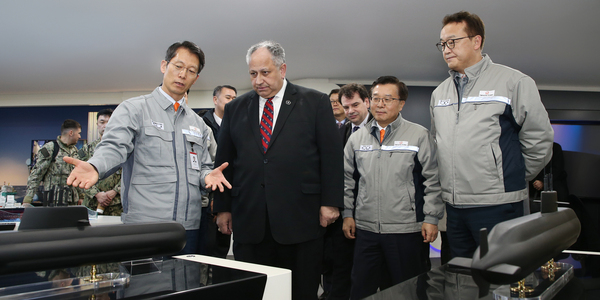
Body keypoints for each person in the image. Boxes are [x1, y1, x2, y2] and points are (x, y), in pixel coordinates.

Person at [64, 41, 231, 255]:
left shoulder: (198, 124)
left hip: (189, 227)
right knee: (146, 288)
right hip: (145, 225)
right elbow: (114, 146)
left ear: (196, 78)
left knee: (186, 286)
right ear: (164, 66)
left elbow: (204, 166)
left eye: (190, 71)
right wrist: (95, 166)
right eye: (178, 66)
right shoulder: (134, 109)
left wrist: (207, 176)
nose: (182, 75)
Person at [213, 40, 344, 300]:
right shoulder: (236, 108)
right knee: (253, 290)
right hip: (250, 219)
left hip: (301, 219)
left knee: (300, 291)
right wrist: (223, 208)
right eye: (253, 73)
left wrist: (331, 203)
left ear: (282, 69)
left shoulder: (315, 102)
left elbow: (331, 158)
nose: (258, 80)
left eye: (265, 72)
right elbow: (224, 162)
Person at [431, 11, 554, 259]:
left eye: (452, 41)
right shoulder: (439, 93)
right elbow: (438, 146)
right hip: (453, 208)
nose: (446, 48)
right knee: (459, 279)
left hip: (499, 205)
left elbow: (539, 140)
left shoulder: (514, 82)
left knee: (500, 278)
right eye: (442, 43)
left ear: (476, 41)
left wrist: (511, 175)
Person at [343, 76, 443, 300]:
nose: (380, 104)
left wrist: (431, 218)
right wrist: (347, 214)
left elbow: (433, 180)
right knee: (360, 289)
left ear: (401, 103)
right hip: (366, 229)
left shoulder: (419, 135)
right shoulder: (357, 139)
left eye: (388, 99)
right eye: (376, 98)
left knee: (407, 291)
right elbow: (347, 180)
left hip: (406, 230)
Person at [199, 85, 237, 259]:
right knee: (205, 249)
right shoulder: (201, 124)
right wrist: (214, 198)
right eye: (228, 97)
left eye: (235, 98)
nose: (232, 102)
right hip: (205, 198)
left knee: (222, 246)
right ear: (215, 100)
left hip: (228, 194)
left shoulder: (239, 126)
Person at [23, 119, 82, 207]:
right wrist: (28, 199)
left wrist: (81, 196)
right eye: (78, 133)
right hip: (54, 200)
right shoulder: (51, 148)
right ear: (71, 133)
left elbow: (77, 175)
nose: (80, 136)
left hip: (72, 200)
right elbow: (37, 174)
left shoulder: (74, 151)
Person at [78, 109, 122, 216]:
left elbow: (130, 172)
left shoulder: (123, 148)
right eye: (102, 122)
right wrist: (97, 194)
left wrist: (114, 191)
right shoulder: (86, 149)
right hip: (92, 203)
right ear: (97, 124)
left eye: (109, 122)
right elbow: (80, 176)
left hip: (116, 204)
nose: (105, 126)